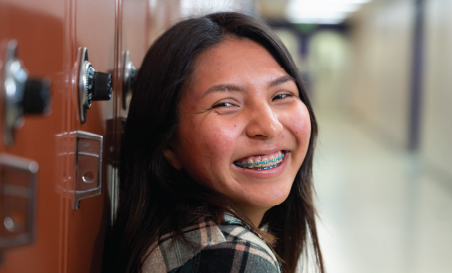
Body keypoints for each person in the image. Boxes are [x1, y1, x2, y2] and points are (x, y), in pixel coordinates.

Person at [105, 12, 324, 273]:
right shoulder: (228, 257)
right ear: (168, 143)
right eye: (225, 104)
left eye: (281, 95)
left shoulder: (177, 236)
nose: (270, 126)